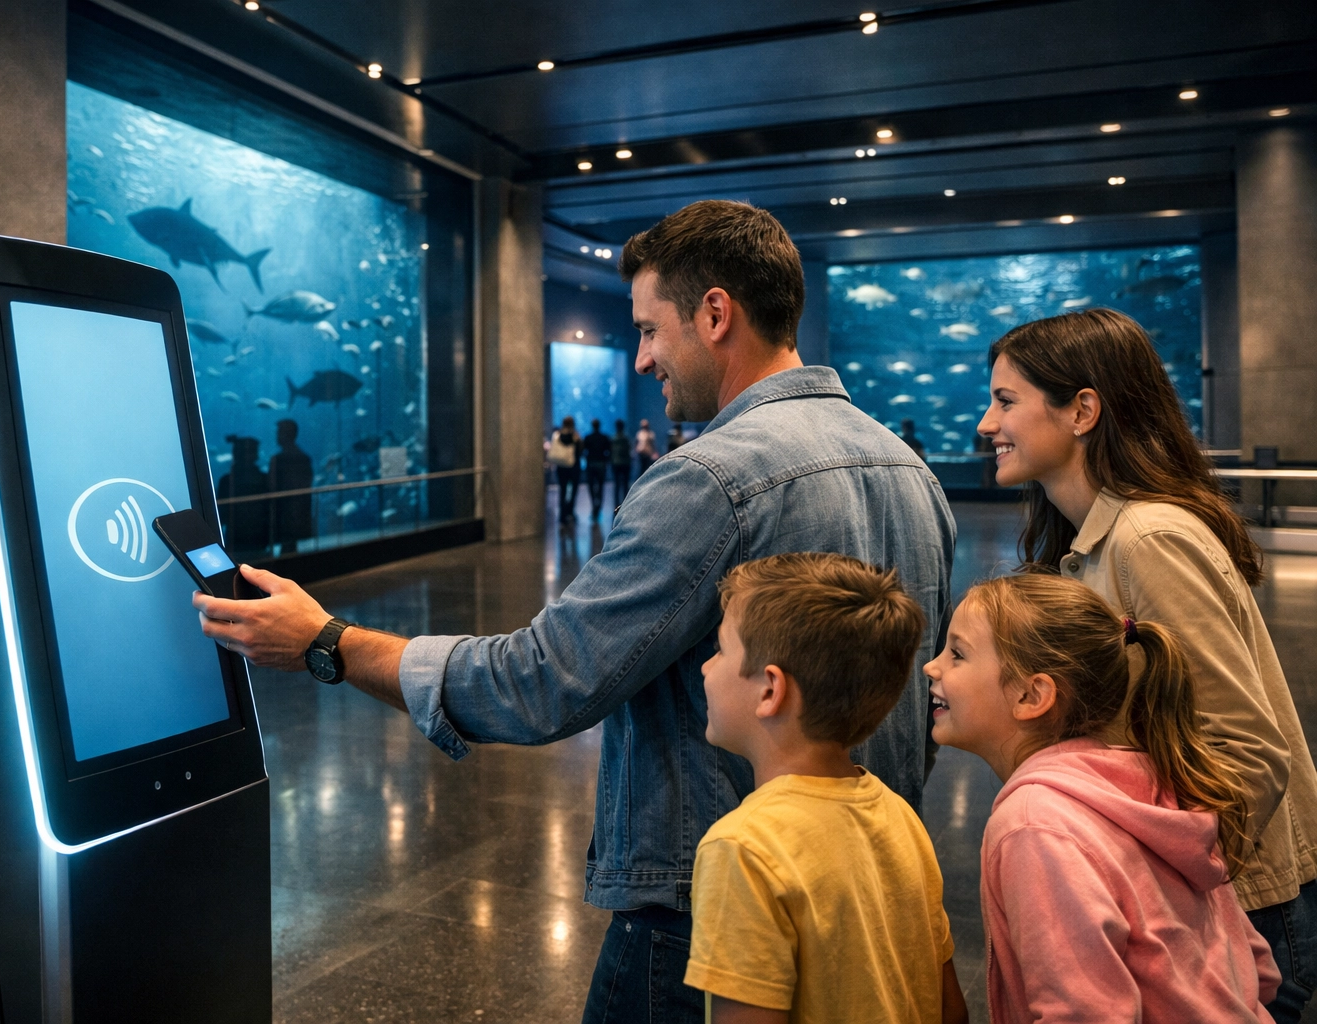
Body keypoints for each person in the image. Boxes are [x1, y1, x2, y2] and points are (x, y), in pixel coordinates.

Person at [193, 199, 955, 1023]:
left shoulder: (709, 478)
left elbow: (545, 678)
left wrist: (329, 643)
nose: (641, 359)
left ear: (715, 313)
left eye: (651, 330)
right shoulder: (910, 470)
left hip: (709, 920)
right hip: (874, 894)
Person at [979, 308, 1317, 1022]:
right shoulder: (1087, 538)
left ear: (1082, 410)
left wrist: (1164, 880)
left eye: (1006, 401)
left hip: (1239, 910)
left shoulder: (1148, 537)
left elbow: (1249, 752)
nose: (987, 423)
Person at [926, 573, 1278, 1022]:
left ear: (1032, 695)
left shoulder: (1033, 825)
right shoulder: (1146, 785)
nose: (932, 666)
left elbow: (1082, 1012)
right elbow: (1257, 966)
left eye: (957, 654)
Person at [687, 552, 966, 1024]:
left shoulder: (743, 850)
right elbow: (949, 1008)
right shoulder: (900, 817)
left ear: (771, 691)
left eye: (720, 650)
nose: (705, 669)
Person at [216, 434, 269, 554]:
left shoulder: (226, 480)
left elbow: (222, 514)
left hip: (236, 538)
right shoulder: (264, 478)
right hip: (259, 537)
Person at [268, 419, 313, 555]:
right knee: (290, 547)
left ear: (287, 434)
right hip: (299, 510)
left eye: (280, 432)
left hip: (284, 512)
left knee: (287, 548)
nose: (277, 436)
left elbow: (271, 485)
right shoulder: (304, 458)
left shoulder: (278, 459)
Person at [547, 416, 582, 523]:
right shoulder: (575, 436)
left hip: (561, 467)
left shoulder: (557, 435)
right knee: (573, 491)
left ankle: (563, 515)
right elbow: (580, 451)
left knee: (562, 491)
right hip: (573, 467)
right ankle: (570, 512)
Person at [582, 418, 611, 519]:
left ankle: (594, 505)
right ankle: (598, 506)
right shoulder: (604, 437)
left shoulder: (588, 437)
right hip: (601, 464)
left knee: (591, 486)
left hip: (591, 464)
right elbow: (608, 451)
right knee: (600, 486)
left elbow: (583, 451)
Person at [610, 420, 632, 508]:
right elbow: (629, 450)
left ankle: (616, 504)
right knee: (625, 484)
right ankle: (626, 503)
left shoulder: (613, 438)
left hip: (616, 463)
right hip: (625, 463)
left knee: (617, 484)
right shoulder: (626, 438)